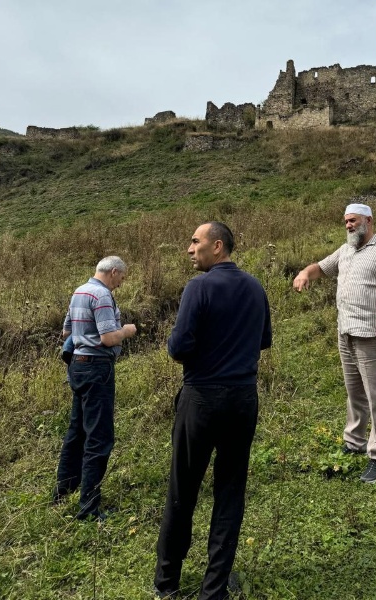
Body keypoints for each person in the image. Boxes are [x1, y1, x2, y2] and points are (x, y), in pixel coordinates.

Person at [154, 222, 272, 600]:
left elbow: (178, 348)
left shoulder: (198, 288)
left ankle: (167, 584)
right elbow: (264, 340)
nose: (189, 248)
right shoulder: (255, 287)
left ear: (217, 246)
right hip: (242, 399)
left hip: (201, 398)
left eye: (195, 241)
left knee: (183, 489)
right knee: (230, 491)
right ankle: (214, 588)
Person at [293, 203, 376, 484]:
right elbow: (320, 267)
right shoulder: (346, 251)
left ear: (368, 220)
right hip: (346, 333)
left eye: (353, 220)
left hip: (370, 335)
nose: (348, 225)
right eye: (345, 221)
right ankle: (354, 442)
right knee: (354, 392)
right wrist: (305, 273)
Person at [52, 256, 137, 519]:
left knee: (76, 431)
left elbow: (67, 333)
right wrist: (127, 330)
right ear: (113, 272)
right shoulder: (101, 295)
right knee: (99, 438)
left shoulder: (80, 291)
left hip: (77, 366)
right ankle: (88, 509)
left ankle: (62, 493)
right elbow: (108, 337)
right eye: (121, 279)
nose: (120, 285)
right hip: (97, 369)